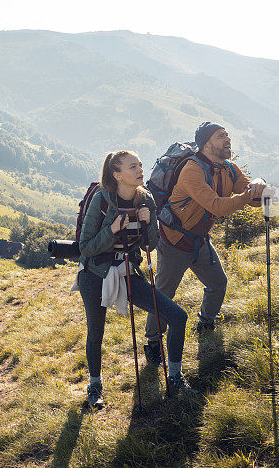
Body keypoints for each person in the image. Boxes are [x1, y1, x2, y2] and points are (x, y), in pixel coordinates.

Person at [76, 150, 193, 409]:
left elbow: (150, 246)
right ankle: (95, 386)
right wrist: (112, 230)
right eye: (133, 167)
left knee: (178, 316)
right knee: (96, 332)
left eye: (140, 165)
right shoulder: (102, 200)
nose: (140, 170)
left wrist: (149, 223)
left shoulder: (146, 199)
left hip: (128, 272)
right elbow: (85, 247)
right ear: (117, 175)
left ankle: (174, 376)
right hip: (94, 274)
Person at [144, 122, 265, 364]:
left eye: (228, 135)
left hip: (199, 240)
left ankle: (206, 323)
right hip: (174, 240)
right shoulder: (192, 170)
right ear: (207, 143)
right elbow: (217, 206)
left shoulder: (230, 169)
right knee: (164, 294)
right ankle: (153, 341)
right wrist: (246, 195)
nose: (228, 139)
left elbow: (252, 198)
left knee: (218, 283)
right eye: (221, 136)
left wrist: (259, 185)